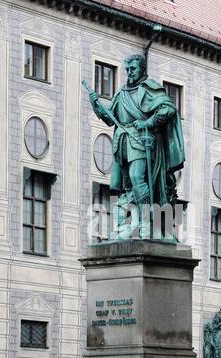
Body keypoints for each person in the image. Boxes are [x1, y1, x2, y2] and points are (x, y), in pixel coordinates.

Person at [86, 54, 185, 239]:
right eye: (128, 69)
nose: (130, 72)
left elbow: (169, 108)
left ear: (142, 69)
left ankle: (145, 223)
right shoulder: (121, 93)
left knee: (136, 177)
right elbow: (109, 118)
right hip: (122, 143)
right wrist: (96, 105)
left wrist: (149, 122)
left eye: (133, 69)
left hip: (141, 140)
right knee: (128, 186)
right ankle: (130, 224)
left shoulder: (150, 89)